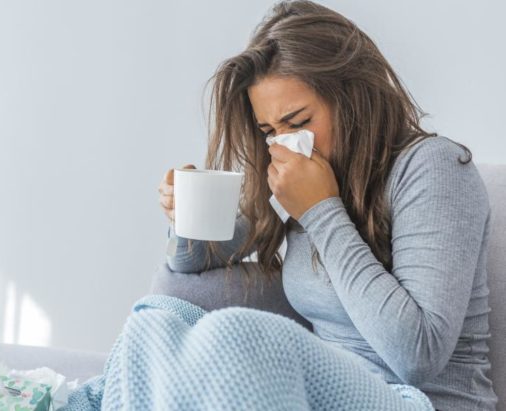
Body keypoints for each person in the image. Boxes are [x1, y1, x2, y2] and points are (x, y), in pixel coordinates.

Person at [67, 1, 498, 410]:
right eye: (270, 130)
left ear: (353, 97)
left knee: (240, 333)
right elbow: (195, 262)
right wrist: (184, 219)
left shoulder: (434, 168)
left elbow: (418, 355)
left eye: (299, 122)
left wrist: (321, 210)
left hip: (416, 400)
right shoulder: (301, 177)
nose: (285, 142)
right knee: (156, 321)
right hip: (318, 397)